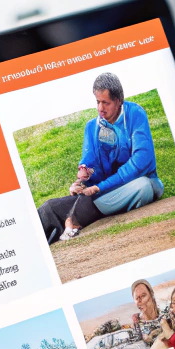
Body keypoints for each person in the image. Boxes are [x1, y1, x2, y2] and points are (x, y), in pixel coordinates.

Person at [37, 72, 163, 244]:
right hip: (105, 193)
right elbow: (90, 160)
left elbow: (141, 161)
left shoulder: (135, 114)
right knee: (49, 207)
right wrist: (84, 176)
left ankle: (76, 217)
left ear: (119, 100)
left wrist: (98, 188)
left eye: (106, 102)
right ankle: (75, 215)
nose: (100, 108)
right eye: (97, 102)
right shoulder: (91, 127)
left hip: (135, 183)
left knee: (144, 186)